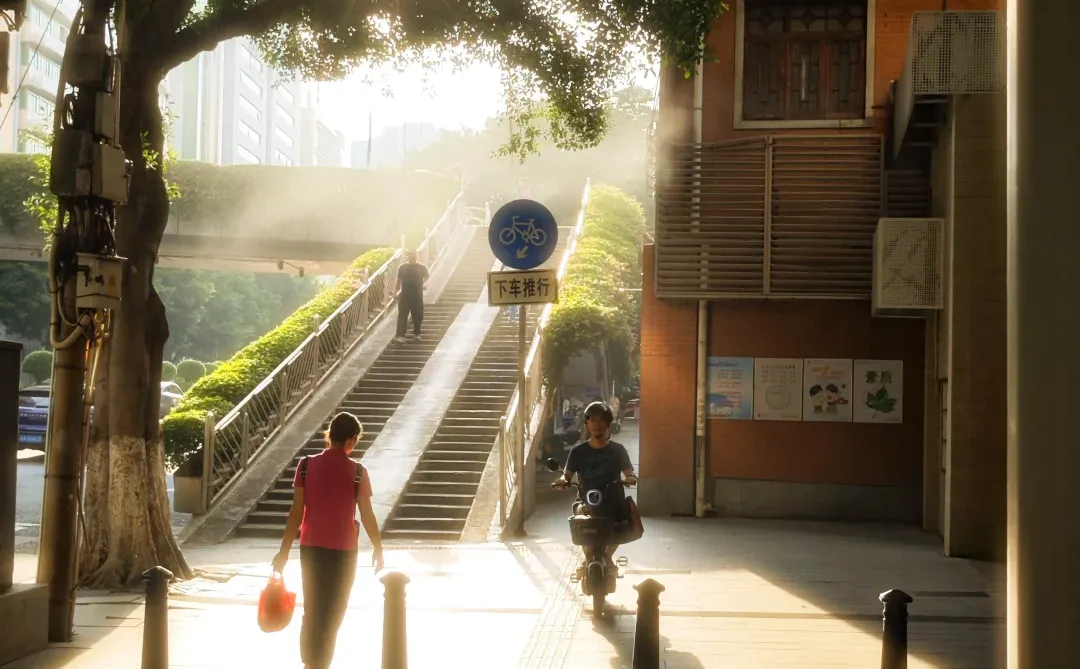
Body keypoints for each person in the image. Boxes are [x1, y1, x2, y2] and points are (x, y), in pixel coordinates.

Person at [273, 412, 385, 669]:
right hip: (344, 553)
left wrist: (283, 552)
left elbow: (296, 513)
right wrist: (378, 547)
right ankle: (320, 663)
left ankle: (309, 662)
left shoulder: (306, 466)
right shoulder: (358, 472)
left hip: (311, 549)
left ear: (329, 435)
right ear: (352, 439)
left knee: (312, 609)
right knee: (334, 612)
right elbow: (367, 514)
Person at [552, 401, 637, 576]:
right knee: (579, 519)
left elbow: (629, 472)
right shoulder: (578, 452)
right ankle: (587, 557)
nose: (597, 424)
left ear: (608, 424)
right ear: (587, 423)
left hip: (613, 500)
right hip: (586, 500)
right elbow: (567, 475)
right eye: (593, 420)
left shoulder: (618, 450)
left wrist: (630, 478)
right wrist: (562, 480)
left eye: (601, 420)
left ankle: (608, 557)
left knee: (623, 520)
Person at [395, 250, 428, 343]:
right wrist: (395, 292)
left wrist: (425, 283)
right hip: (404, 295)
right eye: (410, 255)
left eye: (414, 255)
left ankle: (416, 333)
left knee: (418, 316)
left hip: (417, 296)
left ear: (417, 256)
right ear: (407, 256)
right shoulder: (402, 267)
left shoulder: (421, 268)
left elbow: (427, 277)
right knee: (402, 316)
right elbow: (398, 280)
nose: (412, 257)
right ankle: (400, 336)